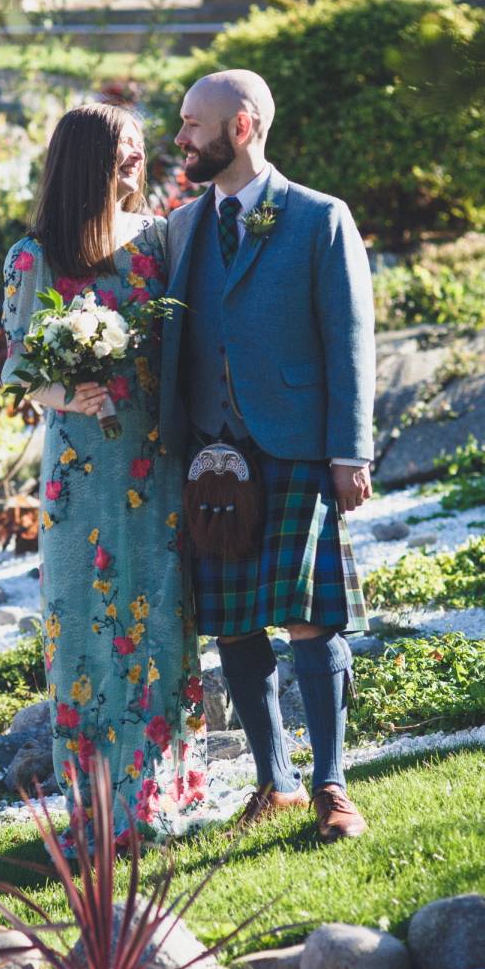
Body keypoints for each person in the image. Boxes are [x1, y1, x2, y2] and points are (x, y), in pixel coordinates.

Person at [159, 69, 375, 842]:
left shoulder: (319, 218)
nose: (179, 138)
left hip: (294, 446)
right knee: (234, 628)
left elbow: (351, 339)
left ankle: (332, 786)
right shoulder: (182, 227)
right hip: (211, 455)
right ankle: (273, 784)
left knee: (312, 620)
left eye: (191, 123)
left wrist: (351, 450)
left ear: (241, 126)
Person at [1, 103, 206, 851]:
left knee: (158, 621)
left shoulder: (158, 240)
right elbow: (20, 369)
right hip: (81, 474)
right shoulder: (37, 255)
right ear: (84, 159)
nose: (133, 162)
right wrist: (67, 391)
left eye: (137, 150)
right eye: (120, 151)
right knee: (85, 629)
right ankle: (94, 814)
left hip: (157, 461)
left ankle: (157, 801)